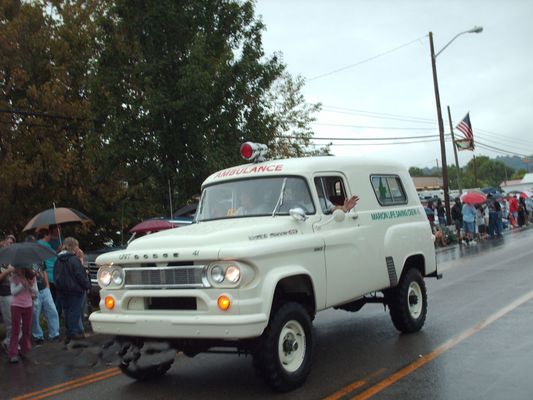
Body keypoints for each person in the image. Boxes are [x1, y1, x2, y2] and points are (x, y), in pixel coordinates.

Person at [54, 237, 90, 343]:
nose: (78, 248)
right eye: (77, 246)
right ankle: (73, 333)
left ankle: (69, 332)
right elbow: (80, 275)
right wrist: (87, 285)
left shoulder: (58, 260)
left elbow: (55, 275)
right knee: (74, 311)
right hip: (75, 290)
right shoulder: (74, 259)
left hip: (62, 290)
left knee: (67, 311)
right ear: (73, 246)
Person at [28, 234, 60, 344]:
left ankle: (54, 333)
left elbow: (44, 270)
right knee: (35, 314)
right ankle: (38, 336)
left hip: (44, 288)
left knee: (52, 310)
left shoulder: (39, 256)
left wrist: (47, 285)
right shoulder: (25, 260)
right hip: (33, 289)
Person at [8, 267, 38, 363]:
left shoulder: (32, 277)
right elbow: (13, 292)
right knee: (15, 330)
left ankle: (24, 350)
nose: (19, 270)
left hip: (28, 305)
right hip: (16, 305)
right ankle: (13, 353)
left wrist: (29, 285)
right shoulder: (14, 277)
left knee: (26, 330)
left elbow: (36, 291)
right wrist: (21, 285)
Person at [0, 234, 16, 354]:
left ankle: (10, 343)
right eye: (9, 242)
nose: (10, 245)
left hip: (16, 293)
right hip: (4, 294)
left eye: (12, 243)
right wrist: (8, 271)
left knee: (17, 321)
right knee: (10, 322)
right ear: (3, 242)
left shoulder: (12, 258)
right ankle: (10, 345)